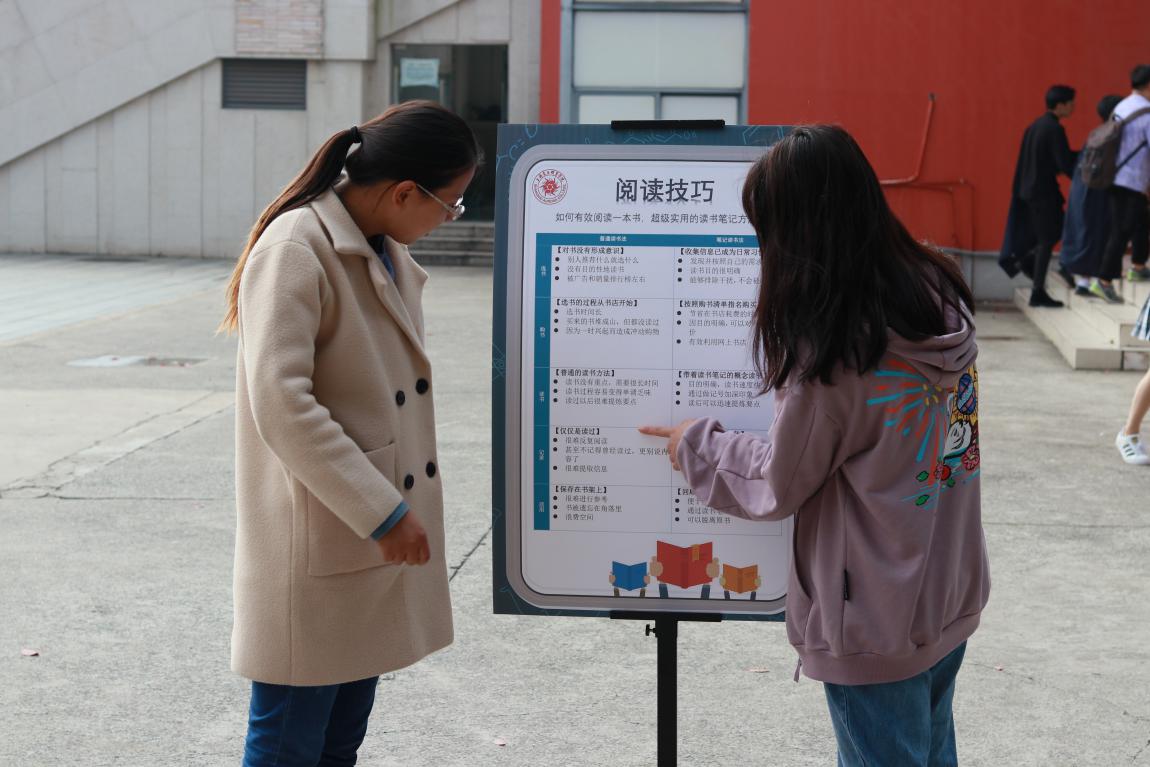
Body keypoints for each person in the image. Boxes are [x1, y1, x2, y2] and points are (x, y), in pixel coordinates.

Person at [641, 125, 989, 766]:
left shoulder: (834, 356)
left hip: (873, 615)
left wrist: (697, 443)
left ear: (798, 234)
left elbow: (780, 481)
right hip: (947, 587)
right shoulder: (937, 295)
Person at [218, 100, 480, 766]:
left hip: (362, 537)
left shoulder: (380, 247)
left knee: (338, 744)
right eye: (450, 203)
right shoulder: (296, 247)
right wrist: (383, 510)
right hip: (323, 534)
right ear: (403, 192)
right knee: (287, 743)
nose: (450, 217)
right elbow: (281, 401)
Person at [1000, 85, 1079, 307]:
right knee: (1048, 239)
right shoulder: (1054, 129)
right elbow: (1063, 162)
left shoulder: (1035, 126)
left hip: (1030, 191)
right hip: (1043, 193)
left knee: (1049, 236)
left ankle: (1027, 266)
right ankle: (1037, 289)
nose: (1073, 108)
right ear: (1060, 105)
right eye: (1071, 104)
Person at [1060, 95, 1123, 300]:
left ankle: (1084, 281)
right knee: (1101, 233)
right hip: (1102, 190)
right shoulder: (1115, 133)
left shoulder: (1096, 133)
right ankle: (1094, 280)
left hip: (1084, 188)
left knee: (1087, 233)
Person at [1097, 65, 1150, 299]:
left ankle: (1138, 266)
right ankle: (1104, 280)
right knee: (1121, 230)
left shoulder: (1122, 106)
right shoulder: (1146, 113)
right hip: (1132, 180)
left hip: (1116, 176)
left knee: (1140, 222)